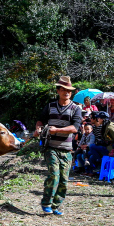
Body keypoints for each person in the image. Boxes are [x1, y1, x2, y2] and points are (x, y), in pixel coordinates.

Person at [34, 75, 83, 215]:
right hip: (51, 147)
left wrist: (57, 130)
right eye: (63, 89)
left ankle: (56, 206)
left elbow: (75, 128)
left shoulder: (75, 109)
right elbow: (40, 121)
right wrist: (38, 128)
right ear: (58, 91)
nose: (66, 92)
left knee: (64, 180)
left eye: (69, 90)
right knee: (54, 175)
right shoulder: (50, 106)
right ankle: (46, 203)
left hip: (67, 149)